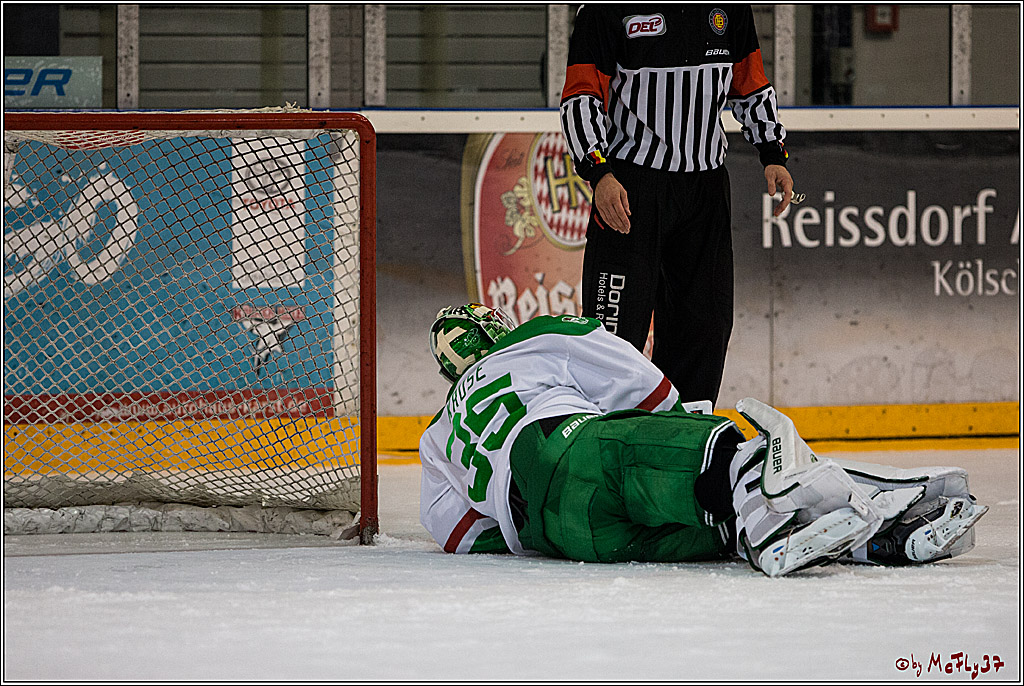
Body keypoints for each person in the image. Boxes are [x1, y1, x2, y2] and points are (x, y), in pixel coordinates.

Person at [419, 303, 988, 577]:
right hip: (578, 450)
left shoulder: (438, 432)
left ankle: (866, 538)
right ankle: (778, 521)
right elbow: (632, 376)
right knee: (721, 450)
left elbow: (453, 528)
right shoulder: (528, 340)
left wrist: (526, 536)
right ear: (495, 329)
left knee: (715, 525)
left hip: (567, 537)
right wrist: (681, 423)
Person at [560, 5, 795, 407]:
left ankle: (683, 443)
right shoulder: (604, 11)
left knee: (706, 326)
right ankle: (606, 447)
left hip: (704, 189)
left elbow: (750, 84)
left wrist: (772, 152)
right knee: (613, 335)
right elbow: (581, 95)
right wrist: (599, 172)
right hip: (631, 187)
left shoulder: (731, 9)